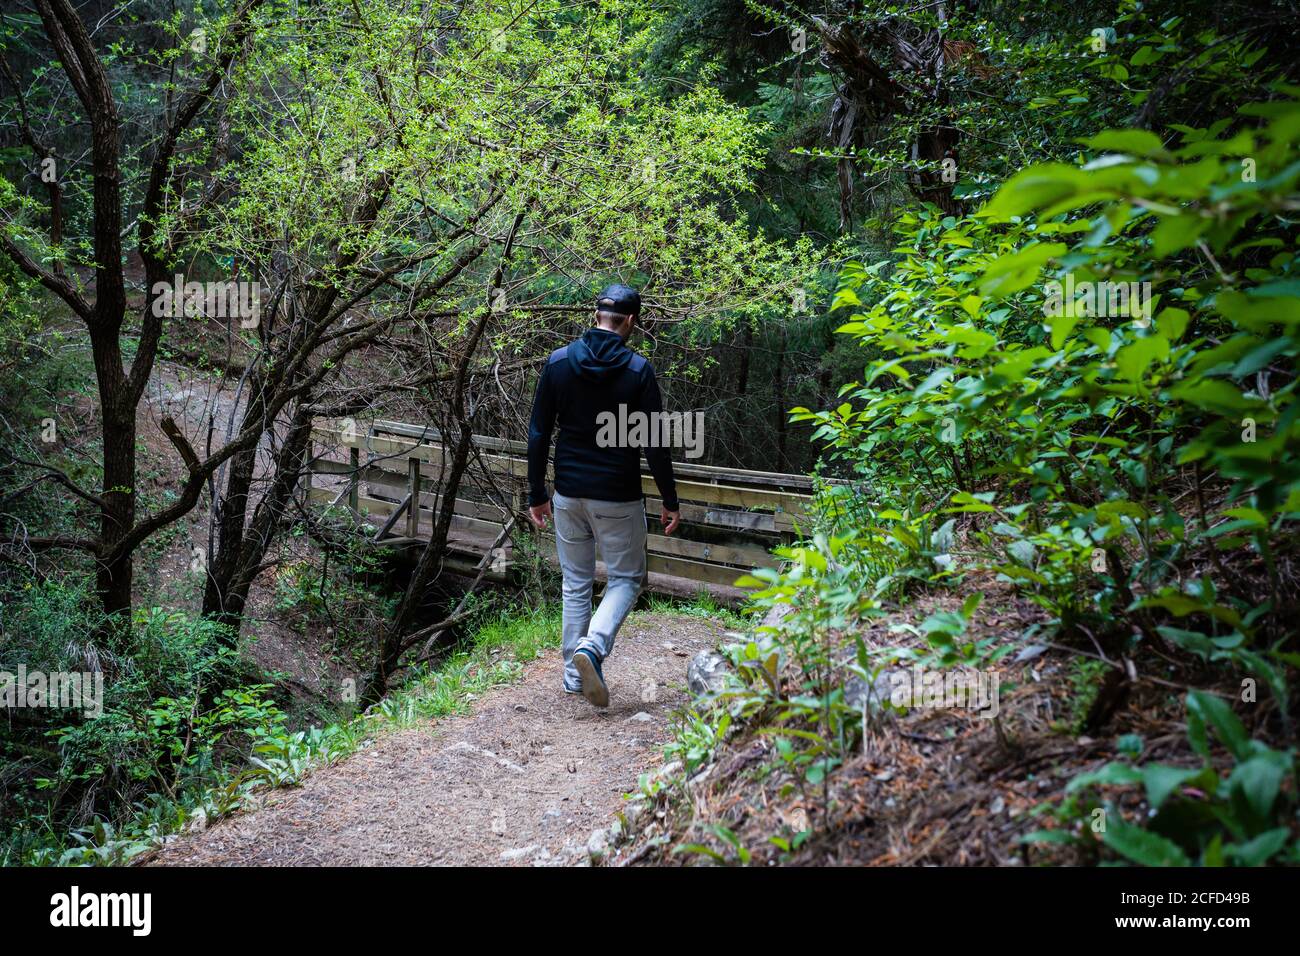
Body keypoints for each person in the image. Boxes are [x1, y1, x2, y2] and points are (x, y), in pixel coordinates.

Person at [526, 283, 681, 707]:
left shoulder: (558, 363)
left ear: (596, 315)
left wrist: (536, 491)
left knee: (575, 580)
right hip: (616, 495)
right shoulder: (637, 371)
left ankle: (573, 674)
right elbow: (654, 443)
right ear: (630, 321)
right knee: (627, 579)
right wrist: (670, 498)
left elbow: (539, 430)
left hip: (568, 493)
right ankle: (592, 647)